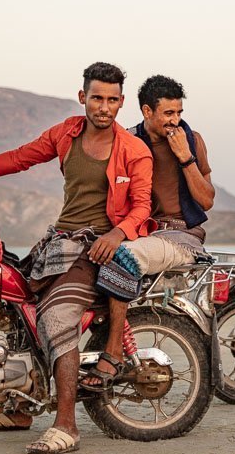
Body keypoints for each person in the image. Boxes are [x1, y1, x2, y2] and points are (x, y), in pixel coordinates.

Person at [0, 62, 152, 454]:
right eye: (97, 98)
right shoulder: (66, 133)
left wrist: (116, 234)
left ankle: (67, 425)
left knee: (55, 318)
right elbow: (19, 158)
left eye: (112, 100)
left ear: (121, 103)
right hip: (59, 242)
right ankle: (20, 409)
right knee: (11, 301)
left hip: (96, 250)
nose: (104, 107)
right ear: (83, 97)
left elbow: (141, 207)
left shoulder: (133, 150)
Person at [81, 74, 215, 389]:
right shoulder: (126, 141)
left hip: (181, 237)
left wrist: (186, 157)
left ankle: (113, 353)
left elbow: (206, 201)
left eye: (178, 112)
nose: (175, 120)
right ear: (147, 111)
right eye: (168, 113)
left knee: (124, 258)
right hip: (138, 232)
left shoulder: (192, 140)